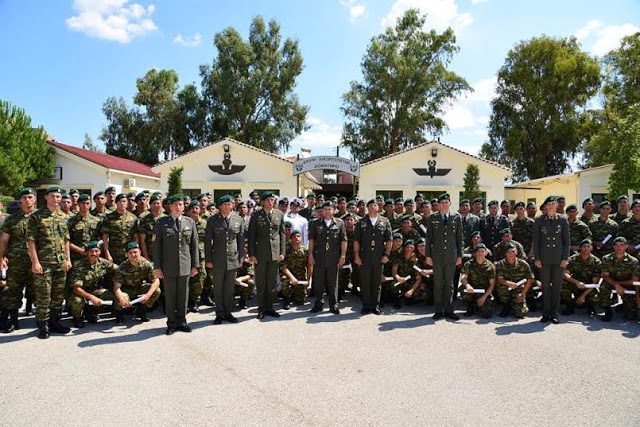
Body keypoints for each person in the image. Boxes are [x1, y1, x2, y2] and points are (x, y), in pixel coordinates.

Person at [27, 187, 72, 339]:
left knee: (58, 295)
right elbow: (31, 242)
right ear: (46, 197)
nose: (56, 199)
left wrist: (68, 259)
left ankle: (54, 321)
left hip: (60, 263)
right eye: (52, 196)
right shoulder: (36, 217)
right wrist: (35, 263)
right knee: (43, 295)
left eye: (58, 196)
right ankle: (42, 325)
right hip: (44, 263)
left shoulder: (63, 217)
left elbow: (66, 240)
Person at [153, 195, 199, 335]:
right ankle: (171, 323)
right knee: (170, 296)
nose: (178, 207)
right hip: (168, 266)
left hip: (185, 265)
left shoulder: (190, 222)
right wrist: (157, 267)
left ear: (184, 206)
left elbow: (194, 246)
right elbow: (156, 247)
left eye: (180, 204)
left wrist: (195, 265)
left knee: (183, 296)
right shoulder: (161, 223)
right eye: (175, 205)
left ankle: (182, 321)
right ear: (170, 206)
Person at [0, 188, 37, 333]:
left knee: (38, 291)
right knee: (13, 291)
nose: (27, 200)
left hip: (36, 261)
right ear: (20, 200)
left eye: (30, 197)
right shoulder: (11, 219)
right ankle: (13, 321)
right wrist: (1, 258)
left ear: (34, 199)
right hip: (16, 261)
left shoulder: (41, 217)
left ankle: (42, 321)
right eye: (24, 198)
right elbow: (4, 240)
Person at [205, 195, 246, 324]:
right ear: (220, 206)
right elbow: (207, 242)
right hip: (217, 259)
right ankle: (219, 313)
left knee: (229, 288)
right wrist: (209, 260)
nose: (229, 206)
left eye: (231, 204)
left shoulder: (238, 219)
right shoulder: (213, 220)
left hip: (233, 258)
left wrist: (241, 258)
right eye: (226, 204)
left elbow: (240, 241)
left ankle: (228, 313)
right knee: (218, 288)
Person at [247, 191, 285, 319]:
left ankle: (270, 307)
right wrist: (252, 254)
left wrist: (282, 252)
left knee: (272, 283)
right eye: (268, 200)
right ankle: (261, 308)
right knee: (261, 283)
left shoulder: (279, 214)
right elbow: (251, 236)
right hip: (260, 253)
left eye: (273, 200)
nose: (271, 202)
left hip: (274, 253)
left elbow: (282, 234)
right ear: (263, 201)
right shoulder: (256, 215)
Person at [425, 193, 463, 320]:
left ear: (450, 203)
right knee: (438, 284)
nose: (444, 204)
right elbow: (428, 238)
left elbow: (459, 239)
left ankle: (449, 310)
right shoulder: (432, 218)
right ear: (439, 205)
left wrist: (459, 256)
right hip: (437, 256)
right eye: (442, 203)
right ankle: (438, 310)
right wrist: (428, 256)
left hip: (451, 256)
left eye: (446, 202)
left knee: (449, 284)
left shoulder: (456, 218)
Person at [533, 196, 570, 324]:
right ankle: (545, 313)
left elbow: (566, 241)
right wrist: (537, 258)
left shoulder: (563, 219)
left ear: (556, 206)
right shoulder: (539, 220)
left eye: (553, 204)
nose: (551, 206)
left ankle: (554, 313)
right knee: (546, 287)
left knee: (556, 286)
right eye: (548, 204)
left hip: (558, 258)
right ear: (545, 206)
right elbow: (536, 241)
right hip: (544, 258)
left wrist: (565, 258)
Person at [353, 199, 392, 314]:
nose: (372, 207)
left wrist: (387, 254)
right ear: (367, 208)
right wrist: (356, 256)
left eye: (374, 205)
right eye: (369, 205)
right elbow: (356, 241)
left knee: (376, 282)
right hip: (364, 256)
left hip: (379, 256)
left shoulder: (385, 221)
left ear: (378, 207)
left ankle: (375, 305)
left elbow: (389, 240)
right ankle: (366, 305)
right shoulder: (361, 222)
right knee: (365, 282)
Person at [67, 241, 118, 328]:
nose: (94, 254)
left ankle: (92, 311)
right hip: (79, 293)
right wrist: (92, 297)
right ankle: (77, 318)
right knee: (77, 301)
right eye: (91, 251)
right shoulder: (79, 266)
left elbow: (119, 269)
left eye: (96, 251)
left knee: (109, 295)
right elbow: (76, 289)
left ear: (100, 252)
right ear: (87, 252)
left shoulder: (103, 263)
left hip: (94, 291)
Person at [308, 201, 347, 314]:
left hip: (333, 257)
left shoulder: (339, 223)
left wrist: (343, 256)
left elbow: (344, 241)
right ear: (322, 211)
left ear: (334, 210)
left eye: (330, 209)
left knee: (333, 282)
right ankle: (318, 304)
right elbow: (311, 240)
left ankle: (333, 305)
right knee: (319, 281)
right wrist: (310, 255)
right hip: (319, 256)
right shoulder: (314, 223)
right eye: (325, 209)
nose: (327, 211)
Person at [113, 242, 161, 325]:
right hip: (127, 290)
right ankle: (119, 314)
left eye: (135, 252)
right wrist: (121, 299)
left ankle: (142, 310)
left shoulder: (146, 264)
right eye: (130, 253)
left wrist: (147, 296)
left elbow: (156, 281)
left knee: (157, 290)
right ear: (127, 254)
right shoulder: (122, 267)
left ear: (140, 252)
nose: (133, 255)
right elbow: (117, 287)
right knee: (120, 296)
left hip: (140, 287)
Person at [600, 237, 638, 321]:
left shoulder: (633, 261)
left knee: (631, 317)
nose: (618, 247)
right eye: (616, 245)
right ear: (613, 247)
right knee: (603, 286)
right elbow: (605, 276)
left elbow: (634, 280)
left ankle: (623, 306)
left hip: (626, 284)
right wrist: (616, 285)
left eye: (621, 245)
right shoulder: (606, 258)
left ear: (626, 246)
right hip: (611, 282)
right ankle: (607, 309)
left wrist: (619, 284)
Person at [561, 239, 601, 317]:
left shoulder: (596, 262)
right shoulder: (573, 259)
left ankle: (590, 307)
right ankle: (569, 306)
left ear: (591, 248)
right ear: (580, 248)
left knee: (595, 298)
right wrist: (576, 282)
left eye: (588, 246)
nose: (586, 248)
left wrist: (582, 296)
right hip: (575, 284)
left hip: (588, 287)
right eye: (584, 246)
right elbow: (565, 274)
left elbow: (595, 282)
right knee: (563, 284)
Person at [495, 243, 535, 319]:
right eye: (508, 252)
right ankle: (506, 305)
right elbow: (499, 279)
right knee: (501, 287)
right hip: (506, 288)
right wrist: (508, 283)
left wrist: (523, 294)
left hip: (519, 289)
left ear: (516, 252)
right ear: (505, 253)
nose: (510, 254)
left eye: (513, 251)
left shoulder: (523, 264)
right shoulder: (500, 264)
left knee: (520, 314)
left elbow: (530, 279)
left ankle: (515, 304)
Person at [100, 193, 138, 265]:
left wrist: (136, 252)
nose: (122, 203)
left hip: (129, 253)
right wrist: (107, 253)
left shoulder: (133, 218)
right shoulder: (108, 218)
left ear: (127, 203)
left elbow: (135, 237)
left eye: (124, 201)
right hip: (114, 254)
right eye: (120, 201)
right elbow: (105, 237)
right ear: (116, 203)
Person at [459, 243, 495, 318]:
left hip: (484, 292)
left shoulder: (490, 266)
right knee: (463, 289)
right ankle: (470, 305)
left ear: (485, 253)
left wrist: (483, 298)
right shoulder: (468, 264)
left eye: (482, 251)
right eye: (478, 251)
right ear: (475, 253)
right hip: (471, 290)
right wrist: (467, 285)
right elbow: (463, 278)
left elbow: (492, 284)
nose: (480, 253)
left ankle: (479, 305)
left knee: (486, 314)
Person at [186, 200, 208, 312]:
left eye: (197, 208)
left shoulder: (204, 223)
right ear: (188, 211)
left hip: (201, 257)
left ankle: (193, 302)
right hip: (186, 256)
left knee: (200, 279)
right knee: (186, 281)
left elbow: (210, 240)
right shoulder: (184, 223)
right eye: (192, 208)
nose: (195, 210)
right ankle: (184, 302)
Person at [67, 194, 101, 265]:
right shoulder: (71, 221)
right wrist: (81, 250)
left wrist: (95, 250)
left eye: (87, 203)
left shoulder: (97, 221)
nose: (85, 205)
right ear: (78, 204)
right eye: (83, 203)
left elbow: (101, 238)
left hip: (93, 255)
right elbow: (67, 241)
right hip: (77, 256)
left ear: (91, 204)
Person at [280, 230, 310, 308]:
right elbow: (283, 267)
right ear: (291, 239)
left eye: (298, 236)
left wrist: (308, 280)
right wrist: (292, 278)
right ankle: (286, 298)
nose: (296, 238)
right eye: (294, 237)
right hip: (288, 274)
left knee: (300, 301)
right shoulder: (286, 249)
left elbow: (309, 266)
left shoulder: (305, 250)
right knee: (285, 280)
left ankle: (294, 293)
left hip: (300, 275)